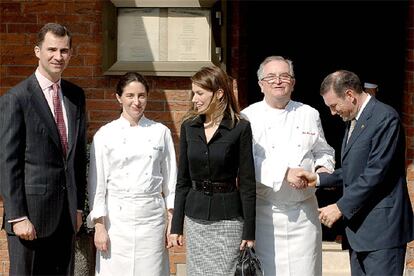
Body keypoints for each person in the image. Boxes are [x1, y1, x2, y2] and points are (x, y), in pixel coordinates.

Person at [0, 23, 87, 275]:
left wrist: (78, 208)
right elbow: (7, 162)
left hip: (66, 217)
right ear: (37, 51)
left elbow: (77, 157)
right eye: (51, 49)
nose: (58, 56)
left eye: (64, 50)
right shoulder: (16, 99)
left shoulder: (75, 96)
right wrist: (16, 216)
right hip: (30, 220)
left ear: (70, 54)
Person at [241, 55, 335, 276]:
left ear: (293, 83)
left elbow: (323, 151)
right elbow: (245, 163)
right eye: (271, 77)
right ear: (260, 84)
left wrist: (322, 170)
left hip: (304, 214)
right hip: (266, 214)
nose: (278, 81)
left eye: (285, 76)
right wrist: (284, 173)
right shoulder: (247, 117)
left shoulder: (309, 113)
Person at [315, 69, 414, 275]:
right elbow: (354, 170)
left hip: (382, 232)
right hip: (359, 232)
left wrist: (340, 207)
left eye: (334, 106)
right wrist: (317, 179)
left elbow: (376, 172)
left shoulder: (385, 118)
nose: (333, 112)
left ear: (350, 95)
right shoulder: (354, 119)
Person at [87, 72, 177, 275]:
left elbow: (171, 182)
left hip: (152, 219)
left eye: (141, 95)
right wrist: (99, 227)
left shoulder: (161, 132)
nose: (136, 102)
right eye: (130, 95)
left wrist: (172, 220)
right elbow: (97, 184)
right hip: (117, 221)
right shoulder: (105, 135)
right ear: (118, 97)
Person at [170, 65, 256, 275]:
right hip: (195, 217)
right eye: (193, 93)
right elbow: (182, 181)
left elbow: (247, 183)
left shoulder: (240, 128)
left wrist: (249, 231)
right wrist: (176, 226)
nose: (194, 99)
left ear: (218, 94)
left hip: (228, 220)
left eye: (200, 93)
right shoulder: (189, 126)